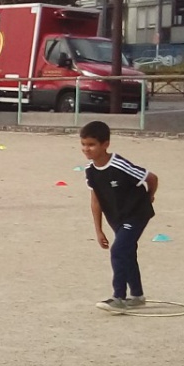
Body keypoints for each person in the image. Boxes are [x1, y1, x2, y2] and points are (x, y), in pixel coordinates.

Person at [79, 120, 159, 312]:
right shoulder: (90, 171)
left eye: (91, 144)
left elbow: (151, 178)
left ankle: (119, 297)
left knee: (118, 251)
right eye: (83, 144)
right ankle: (138, 296)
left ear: (105, 144)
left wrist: (148, 197)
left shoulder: (119, 165)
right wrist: (98, 230)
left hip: (136, 214)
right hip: (116, 217)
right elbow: (95, 201)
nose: (86, 149)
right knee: (127, 252)